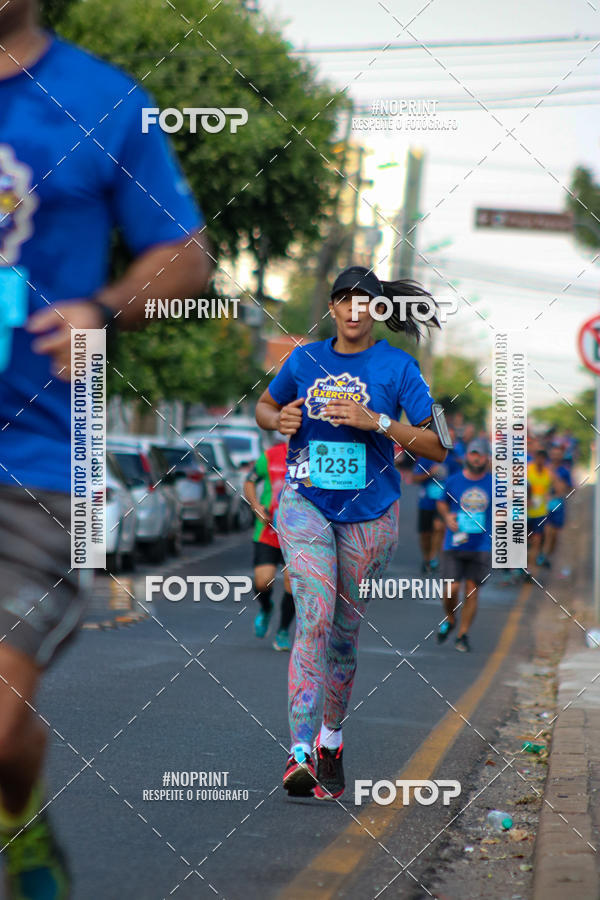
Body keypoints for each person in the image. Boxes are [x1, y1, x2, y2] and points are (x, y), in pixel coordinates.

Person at [0, 5, 212, 896]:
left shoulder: (107, 101)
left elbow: (187, 255)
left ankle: (24, 822)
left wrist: (104, 306)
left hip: (39, 462)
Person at [254, 265, 448, 799]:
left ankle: (331, 740)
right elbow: (265, 407)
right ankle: (299, 755)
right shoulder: (304, 358)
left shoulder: (398, 368)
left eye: (366, 301)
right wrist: (278, 421)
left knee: (342, 633)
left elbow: (437, 445)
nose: (354, 309)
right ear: (334, 308)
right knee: (312, 617)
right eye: (344, 300)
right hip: (304, 501)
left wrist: (377, 423)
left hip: (370, 513)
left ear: (379, 310)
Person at [436, 439, 492, 652]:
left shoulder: (494, 483)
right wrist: (446, 517)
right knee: (451, 588)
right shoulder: (453, 481)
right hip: (454, 542)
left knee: (472, 591)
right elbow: (442, 502)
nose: (476, 458)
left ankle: (463, 634)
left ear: (486, 458)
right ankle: (450, 618)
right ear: (467, 456)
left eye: (480, 454)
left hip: (481, 545)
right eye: (472, 454)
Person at [244, 438, 296, 651]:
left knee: (291, 584)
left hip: (296, 533)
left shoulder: (313, 455)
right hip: (267, 531)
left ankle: (283, 630)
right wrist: (256, 505)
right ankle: (266, 608)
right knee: (262, 582)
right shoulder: (271, 455)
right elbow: (249, 481)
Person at [413, 456, 447, 573]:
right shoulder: (426, 457)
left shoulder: (453, 456)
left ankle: (433, 558)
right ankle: (427, 559)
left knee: (438, 528)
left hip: (443, 502)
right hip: (426, 503)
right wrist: (429, 473)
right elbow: (414, 478)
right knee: (425, 534)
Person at [543, 442, 572, 572]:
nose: (555, 457)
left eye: (558, 455)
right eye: (553, 454)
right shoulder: (544, 467)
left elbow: (569, 488)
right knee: (546, 531)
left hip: (558, 505)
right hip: (544, 504)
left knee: (554, 534)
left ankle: (547, 555)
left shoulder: (564, 471)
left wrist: (557, 480)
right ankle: (541, 556)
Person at [527, 448, 553, 569]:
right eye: (538, 458)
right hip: (525, 512)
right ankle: (520, 567)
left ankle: (530, 570)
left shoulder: (548, 473)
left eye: (543, 459)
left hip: (540, 513)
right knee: (524, 541)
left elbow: (550, 490)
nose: (540, 461)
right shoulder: (527, 470)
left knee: (537, 541)